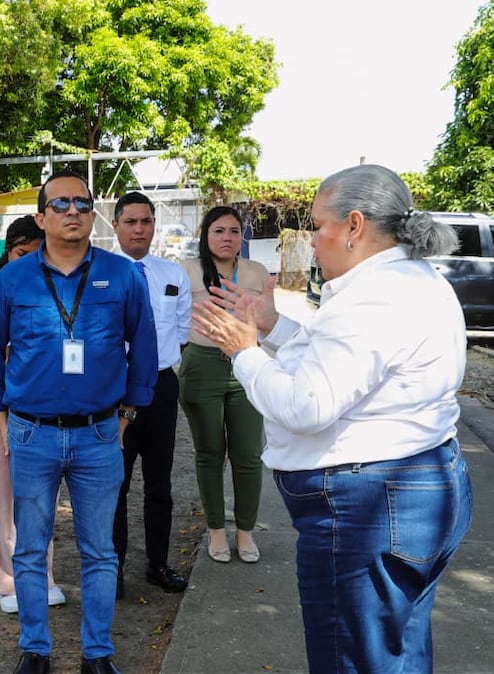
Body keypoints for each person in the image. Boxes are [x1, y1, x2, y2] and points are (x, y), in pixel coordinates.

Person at [193, 164, 473, 672]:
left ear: (354, 225)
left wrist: (243, 351)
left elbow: (306, 406)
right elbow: (339, 362)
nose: (311, 239)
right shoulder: (410, 280)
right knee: (397, 649)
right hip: (409, 487)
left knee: (354, 658)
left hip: (367, 507)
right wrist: (272, 325)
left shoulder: (372, 298)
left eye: (318, 225)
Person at [0, 170, 158, 674]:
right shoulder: (12, 280)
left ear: (93, 214)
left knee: (99, 552)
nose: (72, 210)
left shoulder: (122, 276)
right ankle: (35, 649)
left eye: (81, 202)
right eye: (60, 204)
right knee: (31, 549)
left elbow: (144, 347)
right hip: (31, 433)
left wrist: (128, 414)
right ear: (41, 218)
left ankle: (97, 654)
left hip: (100, 434)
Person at [0, 215, 66, 614]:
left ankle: (42, 577)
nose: (28, 261)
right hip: (5, 405)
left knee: (42, 495)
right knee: (4, 494)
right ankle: (8, 582)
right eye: (20, 253)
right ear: (8, 253)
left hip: (48, 405)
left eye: (36, 253)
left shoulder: (61, 289)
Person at [109, 192, 191, 596]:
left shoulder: (173, 274)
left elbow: (183, 331)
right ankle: (113, 567)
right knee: (115, 482)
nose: (139, 229)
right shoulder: (99, 273)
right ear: (115, 226)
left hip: (160, 387)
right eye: (130, 222)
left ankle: (158, 563)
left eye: (146, 222)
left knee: (159, 482)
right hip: (114, 390)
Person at [177, 206, 267, 564]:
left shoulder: (255, 271)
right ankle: (216, 530)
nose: (227, 238)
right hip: (202, 364)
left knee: (248, 454)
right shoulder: (187, 270)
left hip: (246, 364)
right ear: (205, 234)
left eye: (233, 231)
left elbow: (267, 320)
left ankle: (245, 532)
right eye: (218, 231)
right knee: (210, 452)